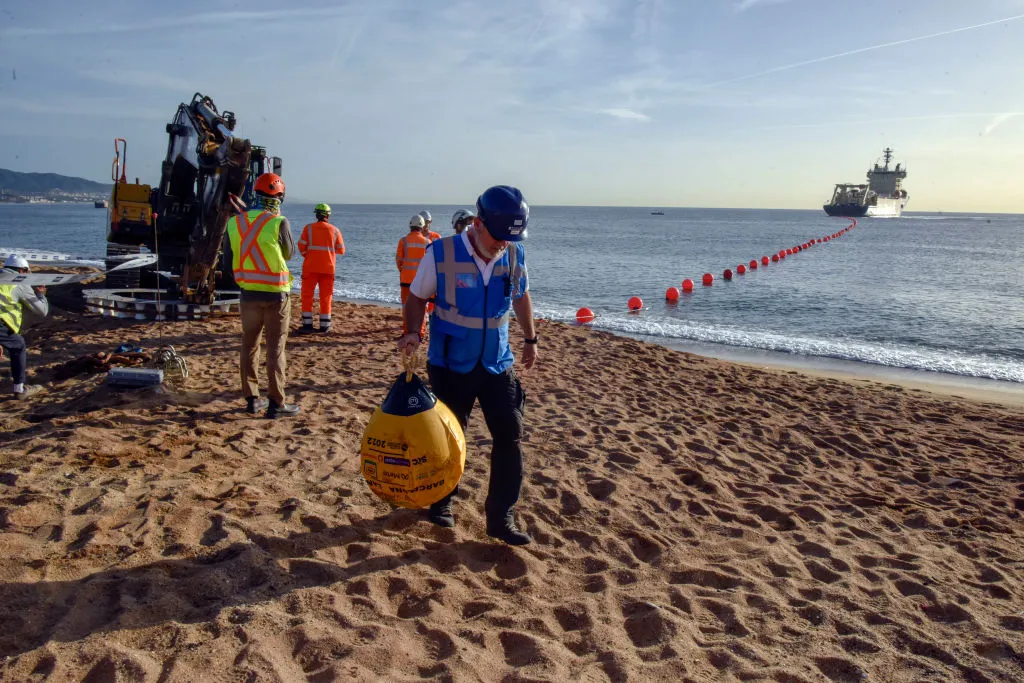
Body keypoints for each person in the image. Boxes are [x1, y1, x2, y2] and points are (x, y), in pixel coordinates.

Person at [398, 185, 538, 546]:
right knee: (450, 436)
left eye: (512, 237)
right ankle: (441, 502)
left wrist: (531, 339)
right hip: (450, 363)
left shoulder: (514, 253)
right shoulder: (441, 252)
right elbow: (416, 297)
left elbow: (521, 296)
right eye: (499, 236)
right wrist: (413, 331)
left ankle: (501, 517)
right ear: (477, 223)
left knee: (509, 435)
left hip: (497, 363)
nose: (503, 244)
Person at [223, 173, 300, 419]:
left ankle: (251, 399)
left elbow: (227, 261)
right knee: (275, 349)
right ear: (278, 197)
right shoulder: (279, 222)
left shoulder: (234, 223)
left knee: (249, 344)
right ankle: (276, 403)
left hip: (248, 295)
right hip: (276, 295)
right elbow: (289, 254)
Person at [0, 255, 49, 400]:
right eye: (27, 272)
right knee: (19, 346)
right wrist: (40, 295)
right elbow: (42, 311)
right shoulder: (19, 282)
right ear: (21, 271)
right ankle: (19, 389)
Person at [297, 202, 345, 333]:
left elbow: (301, 247)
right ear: (328, 216)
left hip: (310, 268)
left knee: (307, 296)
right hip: (328, 269)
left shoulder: (308, 228)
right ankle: (324, 326)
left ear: (316, 215)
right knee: (326, 297)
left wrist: (309, 256)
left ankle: (307, 325)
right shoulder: (335, 230)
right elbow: (341, 250)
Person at [396, 215, 430, 338]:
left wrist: (403, 270)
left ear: (410, 226)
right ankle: (420, 333)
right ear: (422, 227)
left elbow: (399, 260)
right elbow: (430, 263)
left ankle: (406, 331)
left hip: (406, 279)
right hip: (421, 280)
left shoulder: (403, 241)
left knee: (406, 306)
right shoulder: (427, 242)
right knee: (422, 307)